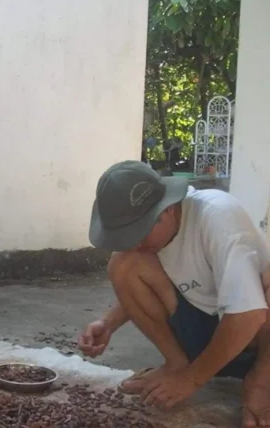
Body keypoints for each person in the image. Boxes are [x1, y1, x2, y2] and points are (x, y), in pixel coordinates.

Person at [77, 160, 270, 427]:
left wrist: (193, 381)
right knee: (124, 263)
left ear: (167, 210)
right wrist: (108, 322)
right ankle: (177, 364)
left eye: (139, 233)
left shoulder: (218, 215)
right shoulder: (154, 237)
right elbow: (163, 275)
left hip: (256, 340)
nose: (134, 242)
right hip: (205, 330)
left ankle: (263, 376)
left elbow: (249, 314)